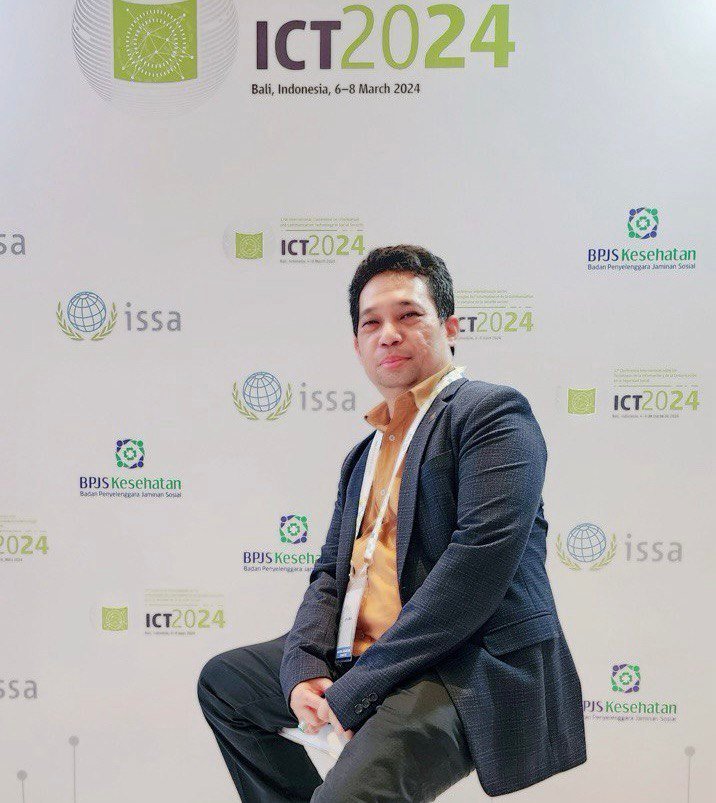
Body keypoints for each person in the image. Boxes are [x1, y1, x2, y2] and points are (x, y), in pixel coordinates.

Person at [197, 245, 587, 801]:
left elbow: (474, 572)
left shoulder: (492, 415)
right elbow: (330, 575)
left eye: (409, 315)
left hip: (460, 661)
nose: (389, 335)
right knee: (227, 683)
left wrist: (357, 688)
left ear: (449, 327)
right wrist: (303, 669)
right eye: (371, 323)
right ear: (357, 344)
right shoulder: (365, 453)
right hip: (364, 652)